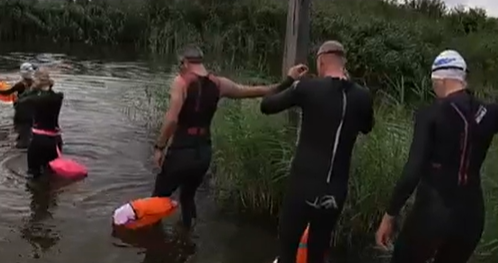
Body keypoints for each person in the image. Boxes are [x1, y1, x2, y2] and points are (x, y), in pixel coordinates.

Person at [374, 50, 498, 263]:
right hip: (471, 217)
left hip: (432, 212)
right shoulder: (492, 112)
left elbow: (413, 170)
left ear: (441, 80)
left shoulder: (431, 115)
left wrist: (390, 215)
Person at [151, 45, 307, 230]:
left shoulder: (181, 82)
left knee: (157, 200)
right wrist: (289, 80)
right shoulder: (219, 84)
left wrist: (160, 147)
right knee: (187, 197)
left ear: (184, 63)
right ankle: (187, 240)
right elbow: (256, 91)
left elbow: (171, 119)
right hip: (203, 153)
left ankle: (154, 245)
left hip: (181, 151)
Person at [259, 40, 375, 263]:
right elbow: (367, 127)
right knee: (318, 251)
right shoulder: (363, 97)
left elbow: (267, 105)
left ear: (321, 62)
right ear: (344, 63)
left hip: (303, 185)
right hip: (335, 191)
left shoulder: (308, 88)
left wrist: (290, 79)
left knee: (287, 247)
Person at [19, 70, 65, 179]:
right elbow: (49, 94)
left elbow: (20, 102)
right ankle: (53, 194)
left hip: (39, 141)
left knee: (33, 174)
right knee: (51, 173)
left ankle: (36, 194)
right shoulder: (58, 97)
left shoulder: (34, 99)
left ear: (37, 82)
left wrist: (32, 89)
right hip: (55, 141)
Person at [0, 62, 37, 149]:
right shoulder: (36, 83)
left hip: (21, 109)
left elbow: (7, 92)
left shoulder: (20, 85)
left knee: (20, 126)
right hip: (32, 109)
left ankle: (23, 145)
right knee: (30, 125)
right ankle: (29, 140)